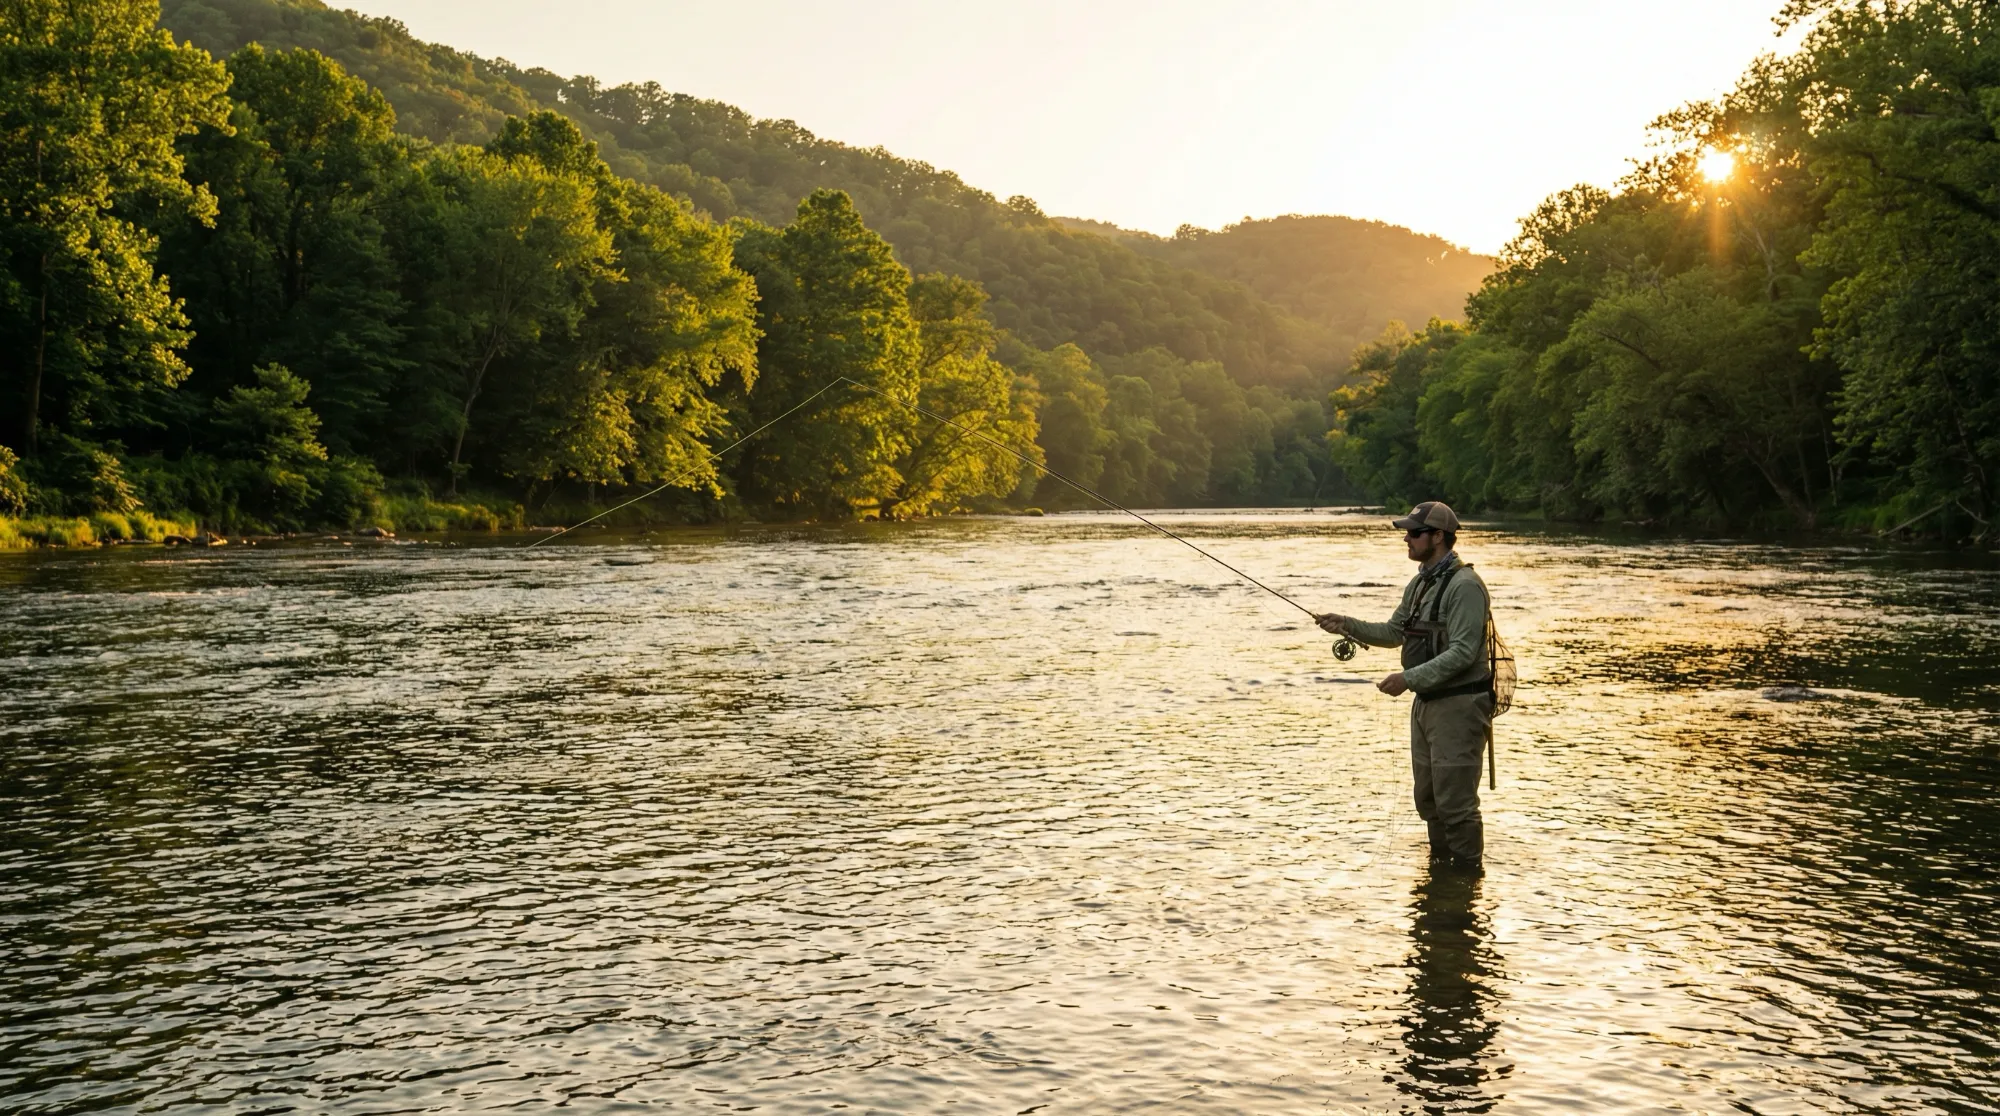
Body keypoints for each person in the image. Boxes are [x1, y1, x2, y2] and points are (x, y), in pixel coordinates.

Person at [1317, 501, 1494, 870]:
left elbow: (1463, 652)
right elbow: (1394, 632)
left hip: (1459, 706)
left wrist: (1407, 679)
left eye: (1414, 533)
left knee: (1456, 805)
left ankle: (1466, 883)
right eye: (1407, 532)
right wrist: (1346, 623)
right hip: (1427, 704)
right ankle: (1441, 877)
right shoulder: (1420, 583)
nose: (1406, 539)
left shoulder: (1465, 586)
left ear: (1438, 537)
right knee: (1428, 800)